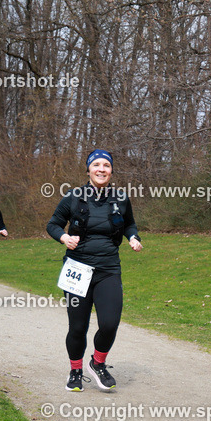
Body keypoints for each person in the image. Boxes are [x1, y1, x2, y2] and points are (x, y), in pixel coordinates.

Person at [47, 149, 142, 392]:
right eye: (96, 164)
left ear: (111, 171)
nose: (101, 169)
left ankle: (97, 363)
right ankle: (75, 370)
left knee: (110, 323)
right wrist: (64, 238)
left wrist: (133, 237)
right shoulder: (73, 197)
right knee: (78, 327)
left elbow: (129, 224)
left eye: (106, 165)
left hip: (108, 269)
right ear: (88, 170)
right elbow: (53, 224)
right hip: (77, 269)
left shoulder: (121, 198)